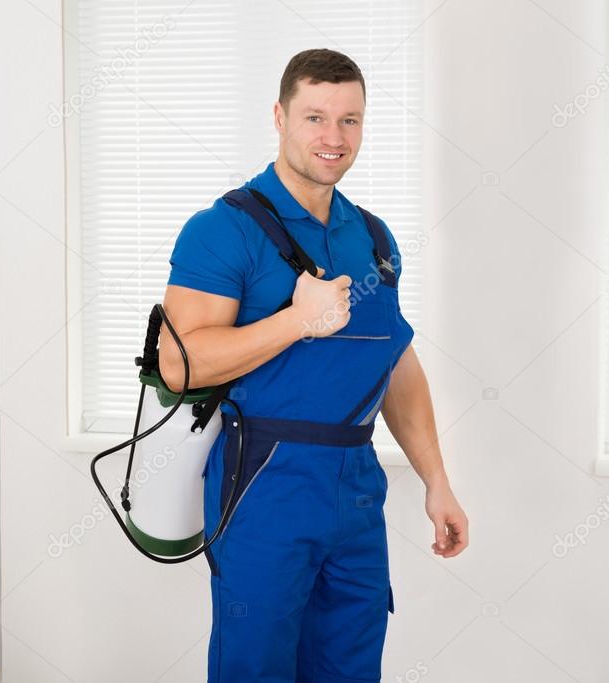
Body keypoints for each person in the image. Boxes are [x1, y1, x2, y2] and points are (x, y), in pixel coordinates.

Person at [159, 47, 468, 683]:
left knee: (351, 663)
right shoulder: (224, 229)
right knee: (257, 664)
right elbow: (179, 364)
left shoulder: (374, 238)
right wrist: (296, 320)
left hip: (355, 484)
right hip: (264, 481)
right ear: (279, 116)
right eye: (316, 117)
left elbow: (396, 365)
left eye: (350, 120)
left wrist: (436, 478)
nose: (334, 138)